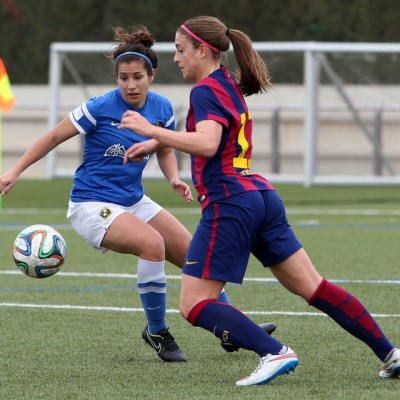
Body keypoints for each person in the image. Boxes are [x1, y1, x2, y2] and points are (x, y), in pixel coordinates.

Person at [119, 16, 400, 386]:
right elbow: (214, 133)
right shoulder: (226, 84)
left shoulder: (203, 91)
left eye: (180, 49)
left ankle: (273, 351)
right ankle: (390, 353)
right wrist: (158, 142)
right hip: (260, 195)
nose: (175, 58)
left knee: (194, 303)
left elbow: (208, 143)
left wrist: (149, 129)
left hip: (229, 202)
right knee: (313, 286)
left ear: (203, 50)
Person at [0, 25, 276, 363]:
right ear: (116, 79)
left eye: (137, 77)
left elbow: (164, 148)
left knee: (194, 253)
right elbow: (53, 138)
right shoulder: (98, 108)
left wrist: (173, 177)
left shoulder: (161, 108)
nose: (130, 84)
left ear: (151, 75)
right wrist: (15, 170)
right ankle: (157, 331)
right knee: (152, 245)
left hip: (133, 200)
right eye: (123, 78)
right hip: (91, 204)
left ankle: (231, 329)